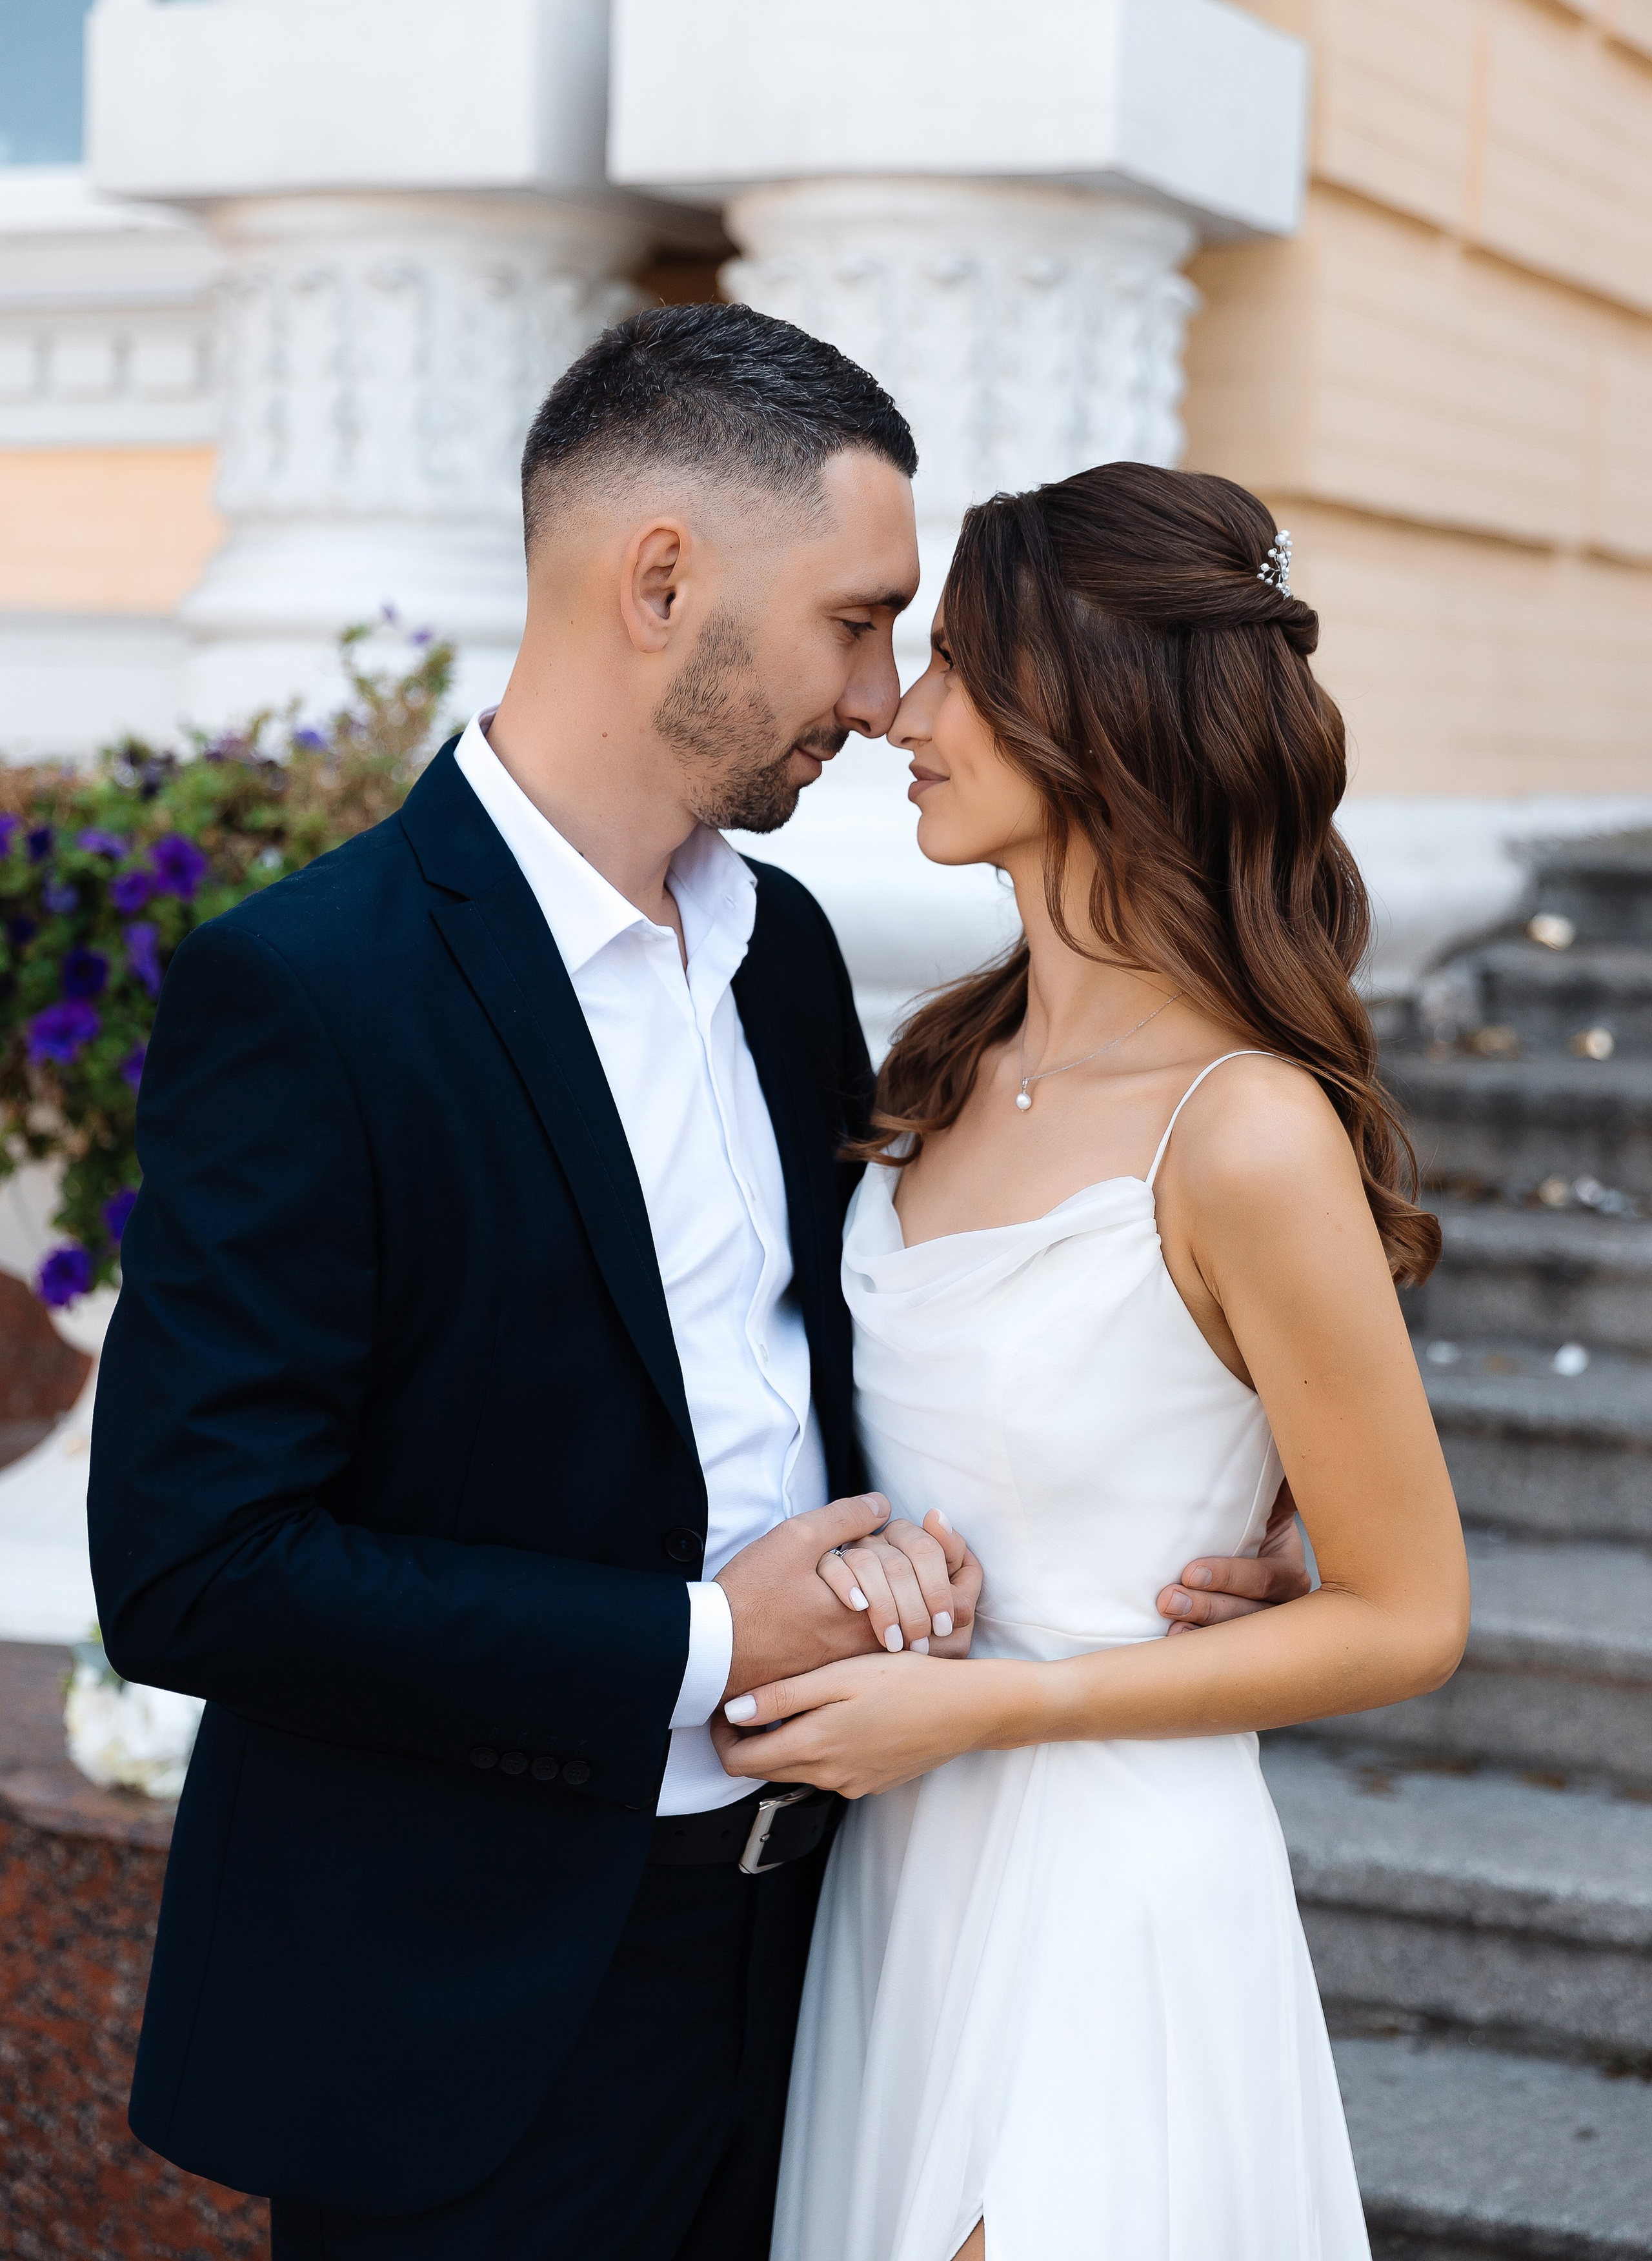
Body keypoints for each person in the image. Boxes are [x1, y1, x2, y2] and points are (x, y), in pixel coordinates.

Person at [88, 308, 1307, 2261]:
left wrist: (1220, 1497)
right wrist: (705, 1645)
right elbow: (192, 1563)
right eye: (855, 619)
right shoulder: (315, 995)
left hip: (837, 1960)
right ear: (661, 580)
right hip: (472, 2019)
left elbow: (908, 1362)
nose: (888, 694)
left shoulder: (794, 961)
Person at [719, 464, 1473, 2261]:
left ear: (1106, 715)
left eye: (966, 665)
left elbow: (1410, 1611)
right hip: (894, 1879)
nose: (905, 710)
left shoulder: (1247, 1133)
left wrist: (1000, 1704)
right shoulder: (938, 1069)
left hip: (1103, 1884)